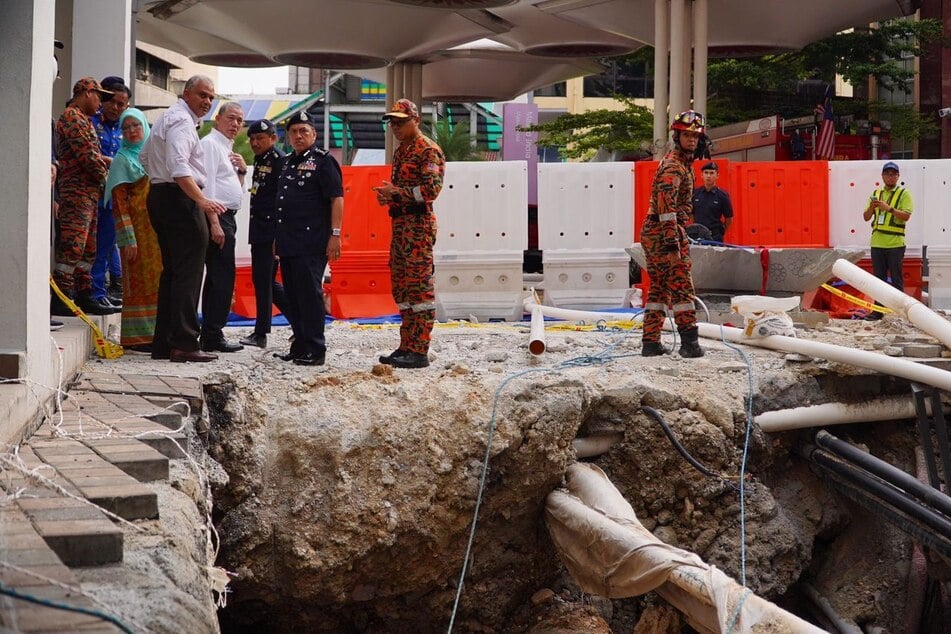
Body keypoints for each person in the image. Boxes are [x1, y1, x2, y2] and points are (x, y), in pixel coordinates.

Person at [141, 74, 226, 363]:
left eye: (211, 97)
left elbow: (144, 158)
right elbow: (179, 168)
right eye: (203, 95)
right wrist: (200, 200)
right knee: (188, 274)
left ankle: (165, 342)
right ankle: (185, 343)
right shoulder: (180, 121)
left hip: (162, 195)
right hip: (180, 199)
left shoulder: (169, 119)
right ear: (186, 93)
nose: (207, 102)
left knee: (174, 273)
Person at [372, 98, 445, 369]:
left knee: (419, 290)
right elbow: (404, 190)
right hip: (401, 226)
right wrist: (389, 197)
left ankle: (419, 350)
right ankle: (406, 345)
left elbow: (430, 191)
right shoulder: (402, 151)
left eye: (400, 122)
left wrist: (397, 193)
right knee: (402, 287)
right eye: (392, 122)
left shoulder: (428, 150)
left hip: (418, 228)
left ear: (415, 120)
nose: (395, 127)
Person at [273, 111, 344, 366]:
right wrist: (277, 238)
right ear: (289, 136)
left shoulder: (323, 161)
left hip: (311, 240)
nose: (299, 135)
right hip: (288, 241)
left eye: (304, 131)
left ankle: (315, 349)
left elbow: (336, 198)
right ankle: (300, 344)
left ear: (313, 134)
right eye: (294, 132)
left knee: (310, 294)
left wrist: (335, 234)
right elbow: (282, 204)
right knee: (293, 295)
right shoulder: (287, 162)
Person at [640, 110, 705, 359]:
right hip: (662, 231)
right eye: (687, 135)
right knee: (681, 286)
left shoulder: (684, 165)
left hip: (660, 229)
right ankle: (689, 343)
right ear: (677, 136)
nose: (692, 140)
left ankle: (651, 342)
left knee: (658, 288)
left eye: (696, 137)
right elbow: (666, 207)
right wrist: (672, 243)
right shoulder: (673, 166)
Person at [52, 77, 115, 316]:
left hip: (88, 193)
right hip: (76, 192)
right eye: (99, 96)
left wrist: (109, 164)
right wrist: (108, 180)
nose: (100, 102)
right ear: (87, 92)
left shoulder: (85, 120)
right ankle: (62, 296)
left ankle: (83, 293)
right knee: (72, 246)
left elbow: (94, 155)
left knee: (88, 248)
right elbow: (88, 157)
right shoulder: (72, 117)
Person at [103, 108, 160, 352]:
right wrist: (127, 239)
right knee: (138, 282)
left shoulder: (151, 156)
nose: (132, 131)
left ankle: (157, 334)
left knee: (158, 281)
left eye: (136, 126)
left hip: (156, 231)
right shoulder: (122, 160)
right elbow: (119, 205)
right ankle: (138, 338)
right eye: (126, 128)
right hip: (136, 233)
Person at [199, 102, 247, 353]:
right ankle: (212, 334)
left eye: (239, 120)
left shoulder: (225, 147)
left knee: (220, 277)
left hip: (228, 215)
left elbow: (231, 188)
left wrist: (241, 171)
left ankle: (211, 331)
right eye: (231, 118)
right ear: (217, 119)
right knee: (221, 277)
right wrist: (215, 222)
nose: (235, 124)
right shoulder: (210, 144)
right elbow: (207, 187)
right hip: (217, 216)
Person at [240, 119, 293, 349]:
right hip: (259, 229)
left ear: (273, 138)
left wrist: (277, 237)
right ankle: (302, 322)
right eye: (251, 139)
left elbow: (281, 202)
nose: (254, 143)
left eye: (260, 138)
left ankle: (261, 333)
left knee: (264, 282)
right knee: (264, 281)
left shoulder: (279, 161)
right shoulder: (261, 159)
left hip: (270, 232)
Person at [90, 76, 132, 310]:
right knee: (88, 247)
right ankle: (88, 292)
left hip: (113, 196)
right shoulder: (90, 122)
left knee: (106, 246)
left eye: (122, 104)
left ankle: (99, 292)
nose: (116, 108)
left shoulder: (125, 129)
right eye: (113, 102)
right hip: (88, 193)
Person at [862, 160, 913, 321]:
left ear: (898, 176)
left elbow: (906, 216)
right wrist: (873, 207)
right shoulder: (876, 193)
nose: (890, 177)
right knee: (879, 280)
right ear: (882, 176)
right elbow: (866, 217)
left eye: (893, 174)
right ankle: (878, 311)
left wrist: (888, 208)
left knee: (896, 279)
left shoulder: (904, 193)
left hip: (895, 243)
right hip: (877, 242)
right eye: (887, 174)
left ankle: (900, 312)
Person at [691, 161, 733, 243]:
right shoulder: (695, 194)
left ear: (717, 175)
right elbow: (692, 214)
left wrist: (721, 232)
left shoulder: (722, 196)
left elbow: (729, 218)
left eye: (711, 173)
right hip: (697, 236)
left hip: (715, 237)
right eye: (706, 173)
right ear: (701, 175)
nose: (708, 176)